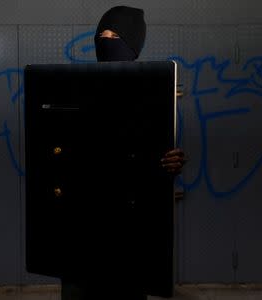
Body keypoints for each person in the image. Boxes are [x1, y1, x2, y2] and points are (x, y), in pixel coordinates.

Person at [61, 6, 186, 300]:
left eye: (114, 35)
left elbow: (156, 159)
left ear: (133, 44)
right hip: (82, 232)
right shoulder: (74, 92)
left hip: (128, 234)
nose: (105, 40)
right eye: (100, 35)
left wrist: (171, 163)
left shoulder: (153, 99)